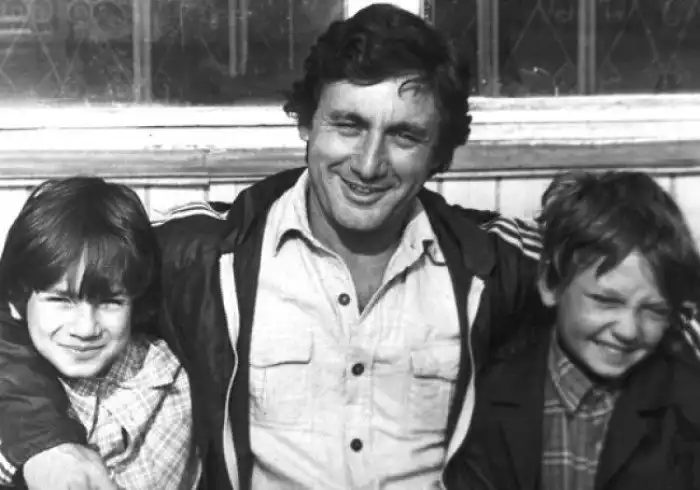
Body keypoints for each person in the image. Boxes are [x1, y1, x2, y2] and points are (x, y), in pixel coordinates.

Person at [0, 4, 603, 490]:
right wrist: (46, 441)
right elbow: (27, 303)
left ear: (438, 152)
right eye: (348, 125)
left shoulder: (492, 262)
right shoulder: (204, 252)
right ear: (308, 123)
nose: (369, 163)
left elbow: (639, 300)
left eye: (404, 135)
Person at [444, 171, 700, 490]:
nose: (629, 330)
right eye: (606, 301)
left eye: (654, 310)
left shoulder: (686, 407)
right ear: (551, 283)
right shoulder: (484, 397)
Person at [0, 177, 200, 489]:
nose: (85, 328)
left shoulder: (165, 383)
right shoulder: (11, 366)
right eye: (61, 300)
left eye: (110, 302)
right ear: (19, 300)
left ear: (136, 303)